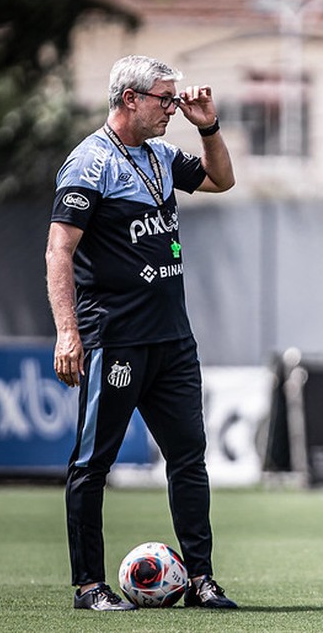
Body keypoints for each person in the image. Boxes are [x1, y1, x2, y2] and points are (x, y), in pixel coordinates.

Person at [46, 55, 239, 611]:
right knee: (92, 464)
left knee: (189, 458)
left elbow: (222, 180)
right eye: (164, 100)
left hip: (173, 339)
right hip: (117, 338)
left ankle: (201, 579)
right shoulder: (88, 164)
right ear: (129, 99)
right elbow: (60, 251)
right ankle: (88, 587)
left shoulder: (159, 155)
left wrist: (208, 126)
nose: (172, 109)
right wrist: (68, 332)